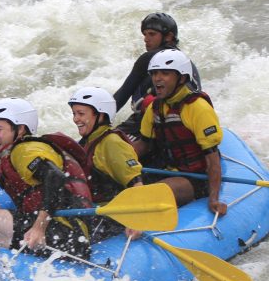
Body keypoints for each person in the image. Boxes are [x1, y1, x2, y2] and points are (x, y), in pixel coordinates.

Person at [0, 98, 93, 259]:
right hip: (69, 234)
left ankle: (1, 267)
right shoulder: (23, 148)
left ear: (20, 129)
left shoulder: (25, 150)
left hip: (64, 234)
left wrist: (39, 228)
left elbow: (55, 178)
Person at [132, 49, 227, 215]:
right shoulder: (155, 107)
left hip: (195, 178)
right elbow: (143, 145)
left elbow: (212, 160)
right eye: (154, 73)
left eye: (165, 73)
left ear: (182, 78)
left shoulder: (198, 108)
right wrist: (117, 159)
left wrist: (213, 198)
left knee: (153, 194)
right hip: (165, 170)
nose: (157, 78)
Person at [69, 86, 143, 241]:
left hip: (111, 216)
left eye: (81, 114)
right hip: (94, 211)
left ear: (101, 115)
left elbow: (136, 184)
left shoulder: (112, 143)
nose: (76, 119)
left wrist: (137, 221)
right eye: (74, 113)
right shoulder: (89, 140)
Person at [114, 12, 202, 142]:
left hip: (153, 123)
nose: (146, 39)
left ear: (169, 36)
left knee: (103, 146)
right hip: (182, 123)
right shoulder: (185, 62)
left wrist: (98, 116)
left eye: (152, 34)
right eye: (145, 34)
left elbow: (122, 95)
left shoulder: (148, 58)